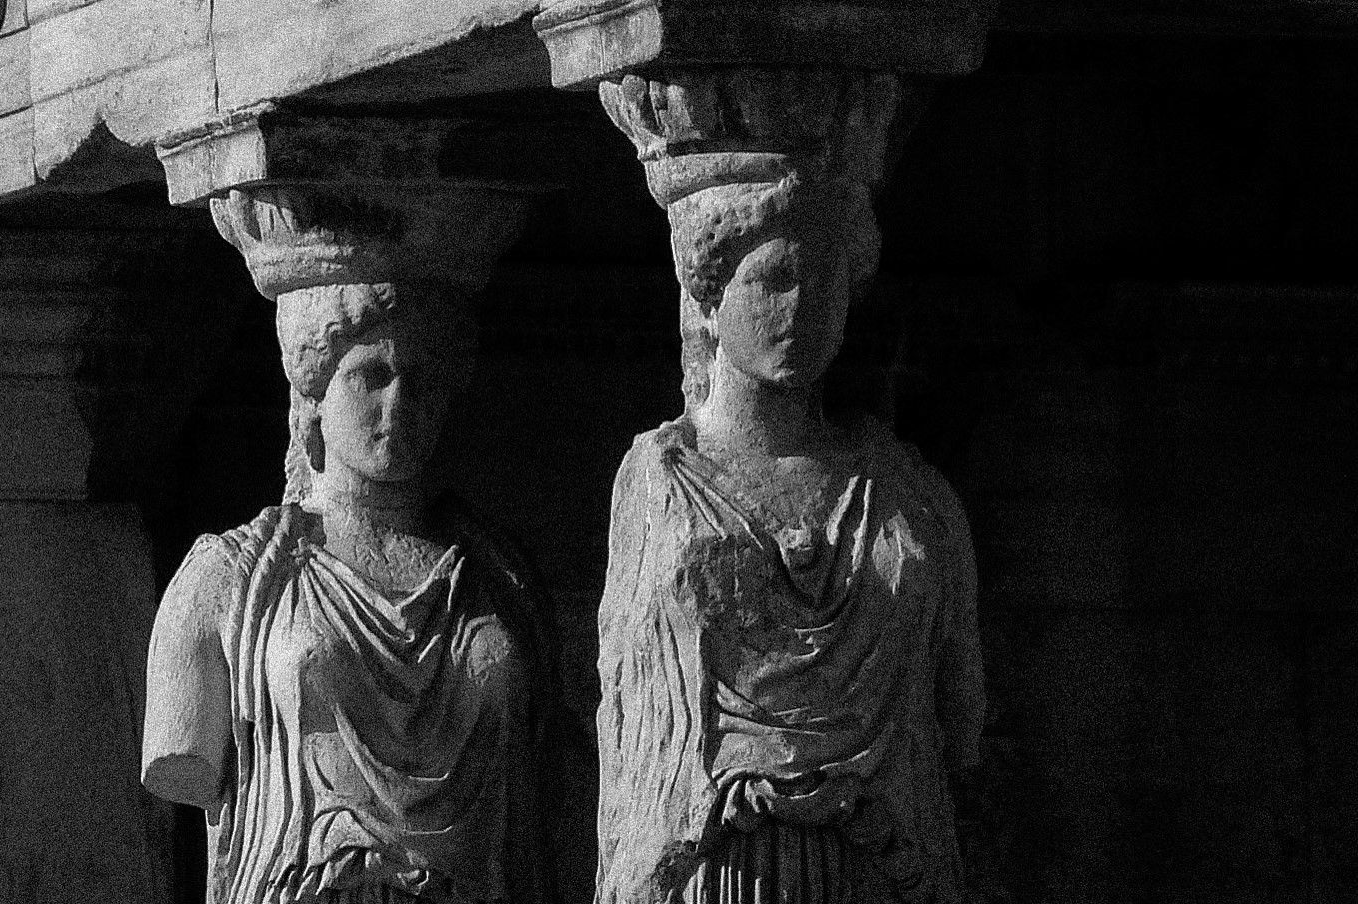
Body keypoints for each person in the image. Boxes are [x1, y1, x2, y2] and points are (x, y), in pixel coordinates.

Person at [595, 174, 985, 904]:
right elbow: (628, 718)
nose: (799, 309)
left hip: (882, 857)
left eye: (823, 285)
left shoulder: (908, 494)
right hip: (715, 857)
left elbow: (962, 723)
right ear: (710, 297)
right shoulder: (657, 481)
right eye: (772, 280)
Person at [142, 283, 552, 904]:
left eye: (421, 380)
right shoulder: (228, 578)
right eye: (371, 376)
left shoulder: (503, 579)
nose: (398, 402)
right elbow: (180, 754)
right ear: (314, 399)